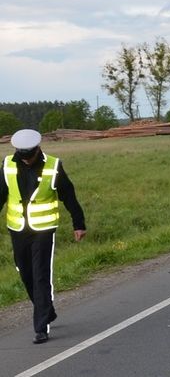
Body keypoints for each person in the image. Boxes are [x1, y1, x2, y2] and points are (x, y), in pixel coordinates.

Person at [0, 129, 86, 344]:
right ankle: (47, 309)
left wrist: (79, 224)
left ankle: (41, 327)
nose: (26, 160)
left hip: (44, 229)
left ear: (38, 149)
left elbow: (69, 195)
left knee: (40, 274)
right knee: (25, 272)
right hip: (17, 228)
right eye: (23, 155)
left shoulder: (53, 166)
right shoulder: (8, 165)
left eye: (29, 155)